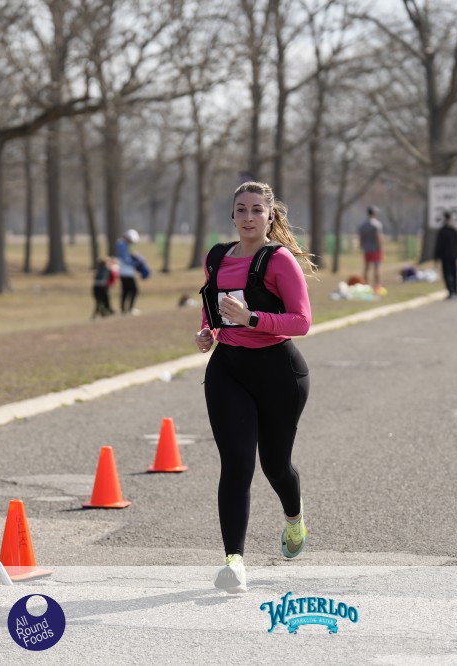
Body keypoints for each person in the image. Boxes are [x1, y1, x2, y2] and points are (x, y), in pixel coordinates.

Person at [195, 181, 316, 594]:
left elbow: (301, 321)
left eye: (256, 210)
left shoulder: (279, 260)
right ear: (232, 215)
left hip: (279, 373)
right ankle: (234, 561)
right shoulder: (216, 257)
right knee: (237, 463)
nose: (248, 217)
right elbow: (213, 309)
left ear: (270, 215)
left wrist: (252, 319)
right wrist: (207, 332)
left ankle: (294, 519)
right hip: (228, 370)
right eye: (241, 209)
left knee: (275, 466)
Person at [434, 211, 457, 300]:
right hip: (453, 256)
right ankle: (455, 291)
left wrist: (436, 256)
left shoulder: (443, 231)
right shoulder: (455, 230)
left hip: (445, 256)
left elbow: (439, 245)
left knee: (448, 274)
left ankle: (451, 291)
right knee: (453, 273)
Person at [114, 229, 141, 314]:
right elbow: (125, 260)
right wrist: (135, 263)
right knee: (134, 290)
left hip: (124, 272)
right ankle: (129, 309)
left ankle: (124, 309)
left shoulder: (122, 244)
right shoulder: (122, 245)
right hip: (126, 272)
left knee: (125, 291)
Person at [357, 206, 385, 287]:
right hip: (376, 249)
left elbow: (361, 238)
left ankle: (366, 285)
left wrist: (362, 246)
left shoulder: (363, 225)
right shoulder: (377, 224)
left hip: (367, 249)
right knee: (377, 268)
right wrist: (381, 246)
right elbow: (378, 237)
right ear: (374, 213)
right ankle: (377, 285)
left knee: (366, 268)